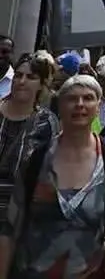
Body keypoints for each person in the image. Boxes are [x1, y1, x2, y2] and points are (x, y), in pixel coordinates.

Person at [0, 75, 105, 279]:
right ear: (60, 105)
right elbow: (10, 227)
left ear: (98, 107)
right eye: (72, 98)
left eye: (88, 98)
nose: (80, 104)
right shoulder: (36, 158)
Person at [0, 54, 58, 229]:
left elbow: (48, 173)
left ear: (41, 84)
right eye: (18, 75)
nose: (22, 81)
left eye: (31, 77)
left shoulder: (46, 123)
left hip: (16, 217)